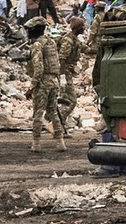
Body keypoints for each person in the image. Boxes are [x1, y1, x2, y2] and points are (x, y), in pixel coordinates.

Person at [23, 16, 66, 153]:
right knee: (53, 112)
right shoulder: (50, 42)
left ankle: (36, 143)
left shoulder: (37, 45)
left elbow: (38, 68)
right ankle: (60, 142)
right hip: (53, 81)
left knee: (38, 113)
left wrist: (31, 87)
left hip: (42, 83)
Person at [57, 17, 86, 134]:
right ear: (77, 28)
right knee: (70, 101)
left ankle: (58, 124)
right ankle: (57, 123)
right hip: (64, 73)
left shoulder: (75, 40)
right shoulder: (68, 41)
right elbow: (62, 58)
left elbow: (86, 49)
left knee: (65, 100)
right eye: (82, 26)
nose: (84, 28)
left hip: (67, 72)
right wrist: (62, 76)